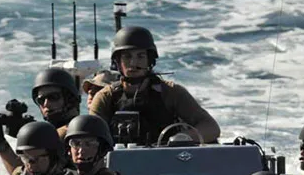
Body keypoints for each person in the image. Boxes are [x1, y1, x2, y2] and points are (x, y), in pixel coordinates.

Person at [89, 26, 220, 145]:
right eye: (127, 57)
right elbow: (91, 136)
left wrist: (184, 137)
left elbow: (210, 127)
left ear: (150, 60)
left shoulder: (171, 92)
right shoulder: (106, 97)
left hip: (167, 162)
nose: (133, 63)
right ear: (117, 61)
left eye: (140, 56)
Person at [0, 67, 82, 175]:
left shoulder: (66, 133)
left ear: (70, 99)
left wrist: (1, 145)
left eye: (53, 97)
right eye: (41, 100)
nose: (46, 104)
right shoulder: (81, 127)